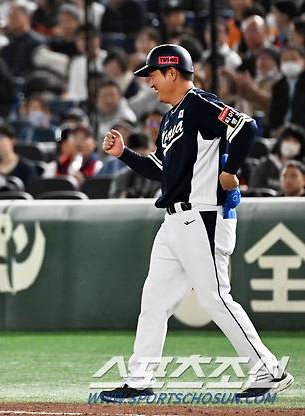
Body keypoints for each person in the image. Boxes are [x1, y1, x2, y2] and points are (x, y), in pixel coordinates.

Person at [100, 44, 293, 402]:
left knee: (215, 297)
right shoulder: (172, 117)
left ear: (172, 72)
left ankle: (268, 370)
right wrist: (124, 155)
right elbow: (162, 170)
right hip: (174, 220)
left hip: (202, 214)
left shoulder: (199, 104)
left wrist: (229, 171)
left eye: (154, 74)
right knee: (154, 300)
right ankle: (141, 378)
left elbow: (245, 126)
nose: (151, 83)